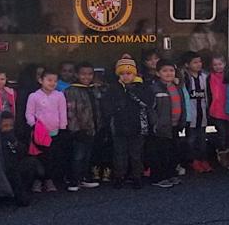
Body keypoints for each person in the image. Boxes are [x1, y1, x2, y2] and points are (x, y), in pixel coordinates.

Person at [106, 55, 151, 189]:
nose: (126, 76)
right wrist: (116, 108)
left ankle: (137, 176)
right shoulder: (113, 88)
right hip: (119, 126)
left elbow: (147, 103)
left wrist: (133, 92)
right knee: (120, 154)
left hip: (137, 126)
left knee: (136, 154)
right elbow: (107, 106)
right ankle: (119, 176)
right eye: (122, 74)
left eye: (129, 73)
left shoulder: (141, 87)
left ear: (134, 74)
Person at [0, 110, 36, 207]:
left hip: (14, 170)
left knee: (31, 163)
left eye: (11, 126)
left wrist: (15, 143)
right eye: (5, 126)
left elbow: (22, 153)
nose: (8, 128)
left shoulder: (12, 138)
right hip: (0, 176)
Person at [25, 66, 66, 193]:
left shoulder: (59, 96)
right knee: (39, 157)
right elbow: (29, 113)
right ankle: (37, 180)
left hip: (54, 132)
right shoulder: (34, 96)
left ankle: (49, 180)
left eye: (55, 81)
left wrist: (62, 127)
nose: (52, 83)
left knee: (52, 158)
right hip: (39, 134)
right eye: (49, 80)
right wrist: (33, 125)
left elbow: (62, 112)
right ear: (41, 80)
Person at [63, 62, 103, 190]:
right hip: (79, 130)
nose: (86, 77)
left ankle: (84, 178)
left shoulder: (93, 89)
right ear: (76, 75)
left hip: (92, 128)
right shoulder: (71, 90)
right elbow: (71, 112)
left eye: (90, 74)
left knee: (87, 155)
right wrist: (75, 130)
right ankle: (73, 180)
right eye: (83, 74)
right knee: (77, 156)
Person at [147, 61, 186, 189]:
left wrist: (183, 121)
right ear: (158, 73)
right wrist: (155, 124)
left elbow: (182, 105)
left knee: (173, 152)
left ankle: (170, 174)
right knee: (160, 154)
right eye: (165, 71)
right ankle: (158, 177)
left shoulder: (177, 87)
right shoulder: (154, 89)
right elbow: (150, 109)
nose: (168, 73)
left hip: (175, 126)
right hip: (161, 128)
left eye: (171, 70)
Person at [181, 51, 216, 173]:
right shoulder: (184, 77)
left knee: (202, 139)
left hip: (203, 113)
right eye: (195, 62)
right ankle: (193, 160)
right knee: (191, 139)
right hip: (191, 114)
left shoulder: (205, 77)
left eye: (200, 61)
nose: (198, 64)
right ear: (187, 64)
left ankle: (203, 159)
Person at [209, 53, 229, 164]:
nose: (218, 67)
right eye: (215, 65)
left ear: (224, 64)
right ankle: (221, 152)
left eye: (220, 64)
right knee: (221, 133)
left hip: (228, 109)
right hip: (216, 110)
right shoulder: (210, 77)